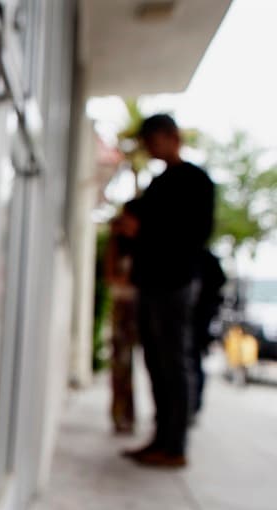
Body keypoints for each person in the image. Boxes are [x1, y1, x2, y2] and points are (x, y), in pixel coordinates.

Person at [123, 114, 214, 468]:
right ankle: (162, 437)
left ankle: (175, 444)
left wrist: (144, 229)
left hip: (174, 283)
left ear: (172, 137)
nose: (149, 147)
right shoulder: (161, 182)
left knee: (174, 361)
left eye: (153, 139)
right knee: (157, 362)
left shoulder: (195, 181)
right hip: (151, 282)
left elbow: (193, 235)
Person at [105, 200, 140, 434]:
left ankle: (129, 414)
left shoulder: (145, 246)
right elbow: (110, 276)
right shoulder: (117, 244)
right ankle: (121, 414)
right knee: (121, 363)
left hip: (140, 308)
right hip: (122, 307)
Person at [190, 249, 226, 419]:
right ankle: (190, 406)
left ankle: (194, 405)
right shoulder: (200, 256)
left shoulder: (204, 257)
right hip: (194, 320)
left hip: (198, 321)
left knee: (194, 362)